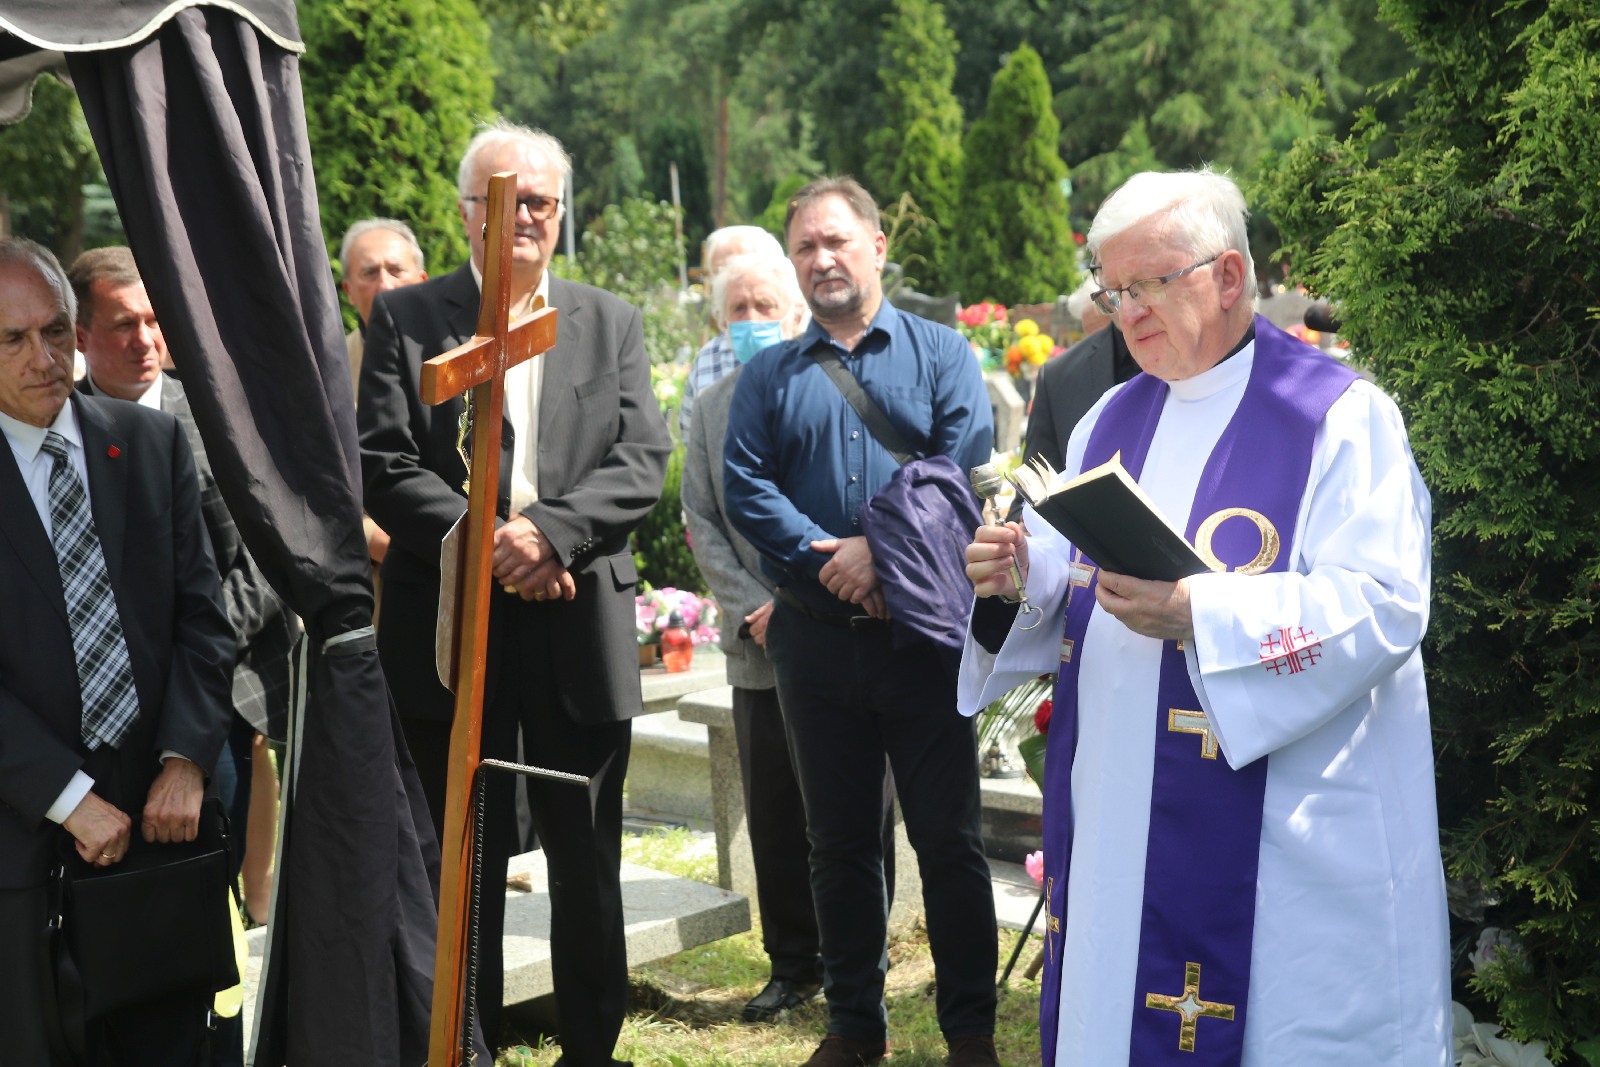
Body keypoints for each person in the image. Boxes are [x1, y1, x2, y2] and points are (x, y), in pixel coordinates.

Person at [959, 169, 1449, 1066]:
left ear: (1228, 277)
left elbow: (1384, 604)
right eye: (1112, 290)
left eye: (1148, 284)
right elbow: (1075, 592)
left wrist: (1204, 613)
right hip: (1120, 817)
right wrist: (1017, 578)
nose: (1125, 311)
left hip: (1283, 834)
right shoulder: (1108, 418)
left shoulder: (1339, 417)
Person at [359, 120, 671, 1066]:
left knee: (585, 859)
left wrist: (549, 533)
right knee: (466, 850)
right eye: (503, 199)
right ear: (465, 213)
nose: (523, 216)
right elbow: (383, 460)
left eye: (539, 200)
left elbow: (643, 459)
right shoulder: (409, 321)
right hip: (456, 621)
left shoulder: (607, 319)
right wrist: (485, 542)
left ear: (561, 214)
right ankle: (467, 1042)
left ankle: (589, 1047)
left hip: (574, 610)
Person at [724, 176, 1002, 1067]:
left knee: (949, 840)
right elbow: (746, 490)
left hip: (921, 643)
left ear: (878, 247)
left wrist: (879, 554)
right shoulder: (767, 375)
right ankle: (853, 1026)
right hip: (813, 643)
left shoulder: (943, 355)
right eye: (805, 246)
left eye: (837, 241)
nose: (822, 259)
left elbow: (961, 473)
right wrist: (831, 559)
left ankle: (970, 1031)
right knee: (837, 843)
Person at [0, 237, 235, 1065]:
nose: (43, 357)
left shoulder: (148, 444)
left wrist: (185, 759)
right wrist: (66, 795)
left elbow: (205, 616)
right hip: (27, 846)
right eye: (13, 339)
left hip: (161, 835)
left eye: (57, 330)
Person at [681, 250, 823, 1021]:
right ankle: (793, 962)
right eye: (737, 311)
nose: (751, 323)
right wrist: (755, 607)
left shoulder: (831, 392)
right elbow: (700, 519)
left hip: (835, 631)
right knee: (772, 807)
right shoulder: (711, 408)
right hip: (758, 646)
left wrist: (802, 603)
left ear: (798, 313)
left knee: (848, 804)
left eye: (765, 306)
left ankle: (852, 955)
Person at [338, 218, 428, 579]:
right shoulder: (327, 372)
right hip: (370, 576)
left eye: (396, 270)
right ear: (348, 289)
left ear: (423, 281)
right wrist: (375, 539)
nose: (385, 284)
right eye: (370, 272)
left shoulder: (458, 360)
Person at [1008, 278, 1138, 523]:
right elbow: (1029, 495)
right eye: (1091, 332)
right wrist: (1022, 534)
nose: (1099, 342)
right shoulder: (1059, 377)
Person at [678, 224, 787, 438]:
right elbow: (692, 442)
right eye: (717, 273)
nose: (726, 279)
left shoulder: (810, 347)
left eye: (736, 266)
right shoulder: (708, 358)